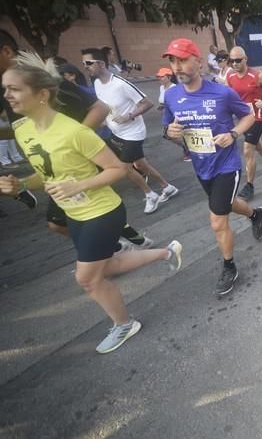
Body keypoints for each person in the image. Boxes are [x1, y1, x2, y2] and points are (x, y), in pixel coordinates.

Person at [0, 51, 182, 353]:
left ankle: (124, 324)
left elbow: (118, 169)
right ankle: (166, 252)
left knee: (87, 278)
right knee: (107, 266)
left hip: (102, 211)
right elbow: (44, 173)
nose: (7, 95)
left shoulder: (75, 132)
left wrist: (78, 185)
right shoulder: (23, 130)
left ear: (42, 94)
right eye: (5, 88)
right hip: (75, 213)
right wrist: (21, 183)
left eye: (14, 88)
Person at [162, 38, 262, 296]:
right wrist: (169, 132)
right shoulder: (172, 96)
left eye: (183, 60)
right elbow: (168, 130)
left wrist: (233, 133)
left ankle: (229, 266)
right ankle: (255, 214)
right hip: (201, 165)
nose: (178, 66)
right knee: (227, 205)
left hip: (226, 165)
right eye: (173, 61)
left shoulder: (222, 92)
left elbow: (249, 115)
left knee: (218, 221)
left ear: (198, 61)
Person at [81, 47, 179, 214]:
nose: (85, 66)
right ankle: (167, 187)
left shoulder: (121, 84)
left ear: (101, 63)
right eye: (84, 63)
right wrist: (104, 121)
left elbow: (147, 103)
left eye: (88, 63)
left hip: (133, 132)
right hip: (116, 131)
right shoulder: (96, 83)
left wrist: (129, 116)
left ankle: (150, 194)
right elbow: (105, 106)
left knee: (123, 167)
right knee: (141, 164)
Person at [226, 46, 262, 201]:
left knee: (247, 148)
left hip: (257, 118)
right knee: (257, 145)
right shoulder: (230, 76)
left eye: (238, 60)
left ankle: (249, 186)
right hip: (242, 119)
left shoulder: (257, 75)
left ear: (245, 59)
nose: (235, 63)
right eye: (232, 61)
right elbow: (228, 95)